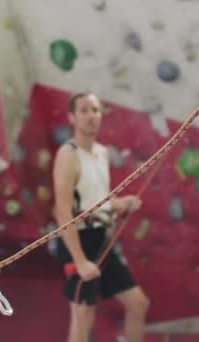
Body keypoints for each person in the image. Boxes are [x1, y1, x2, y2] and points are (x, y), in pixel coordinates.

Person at [53, 93, 150, 342]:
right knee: (83, 315)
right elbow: (63, 211)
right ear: (72, 117)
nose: (91, 116)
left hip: (101, 239)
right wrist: (80, 260)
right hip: (79, 240)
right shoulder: (68, 154)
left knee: (138, 304)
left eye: (95, 110)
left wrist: (120, 203)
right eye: (84, 110)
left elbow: (96, 200)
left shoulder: (102, 152)